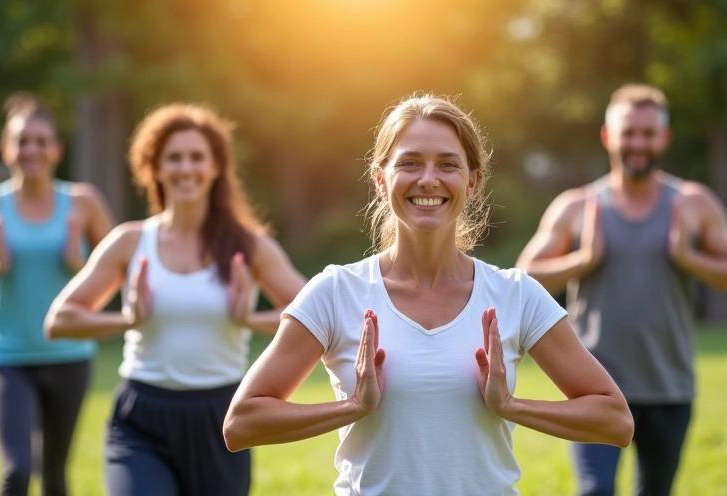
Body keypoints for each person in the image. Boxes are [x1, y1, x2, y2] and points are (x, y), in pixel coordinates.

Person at [223, 93, 633, 495]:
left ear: (472, 182)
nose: (429, 179)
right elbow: (241, 423)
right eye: (410, 163)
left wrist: (512, 406)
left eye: (448, 164)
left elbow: (614, 420)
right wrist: (351, 407)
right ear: (381, 180)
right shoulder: (336, 292)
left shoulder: (515, 294)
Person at [44, 103, 307, 496]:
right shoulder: (130, 242)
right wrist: (129, 319)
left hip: (220, 419)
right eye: (174, 158)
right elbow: (60, 321)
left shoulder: (249, 247)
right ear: (155, 167)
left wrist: (250, 319)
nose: (186, 168)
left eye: (197, 157)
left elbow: (317, 320)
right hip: (142, 416)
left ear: (216, 167)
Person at [515, 83, 727, 496]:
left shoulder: (692, 203)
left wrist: (689, 258)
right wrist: (584, 259)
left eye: (648, 133)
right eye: (628, 132)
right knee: (595, 491)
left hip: (669, 387)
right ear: (608, 136)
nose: (638, 143)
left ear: (663, 138)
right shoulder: (576, 206)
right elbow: (524, 277)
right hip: (595, 388)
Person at [0, 93, 114, 496]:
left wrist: (81, 264)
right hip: (7, 353)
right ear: (6, 149)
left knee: (55, 476)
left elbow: (124, 271)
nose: (32, 149)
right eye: (22, 141)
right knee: (16, 470)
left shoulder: (83, 202)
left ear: (56, 150)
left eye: (41, 141)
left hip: (69, 354)